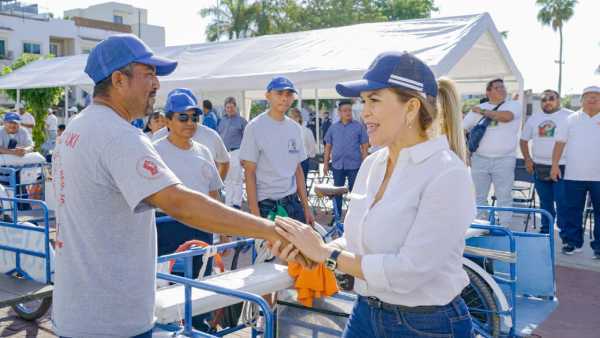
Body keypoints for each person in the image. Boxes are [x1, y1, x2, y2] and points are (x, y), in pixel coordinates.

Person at [51, 34, 306, 338]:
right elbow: (180, 203)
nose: (157, 84)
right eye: (149, 74)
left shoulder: (77, 128)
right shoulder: (119, 136)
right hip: (112, 321)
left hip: (78, 311)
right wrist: (272, 230)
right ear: (119, 79)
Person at [271, 52, 474, 338]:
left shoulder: (447, 173)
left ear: (411, 107)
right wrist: (311, 248)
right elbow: (359, 241)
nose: (363, 112)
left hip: (426, 325)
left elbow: (409, 272)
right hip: (366, 312)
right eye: (363, 101)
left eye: (374, 100)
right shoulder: (372, 164)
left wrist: (326, 255)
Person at [240, 76, 314, 225]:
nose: (284, 98)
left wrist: (306, 207)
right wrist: (255, 217)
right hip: (267, 205)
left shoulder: (295, 128)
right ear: (268, 96)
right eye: (279, 93)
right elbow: (249, 172)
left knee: (302, 247)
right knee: (275, 249)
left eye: (288, 94)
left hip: (292, 202)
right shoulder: (255, 127)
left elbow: (297, 169)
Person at [463, 78, 522, 225]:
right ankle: (481, 227)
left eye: (503, 87)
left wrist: (482, 111)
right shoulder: (477, 108)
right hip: (479, 159)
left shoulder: (513, 105)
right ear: (488, 92)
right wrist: (466, 151)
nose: (502, 90)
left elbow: (506, 117)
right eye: (497, 88)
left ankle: (504, 228)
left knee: (504, 197)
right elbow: (462, 129)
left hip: (504, 159)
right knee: (479, 197)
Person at [551, 85, 600, 257]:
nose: (592, 99)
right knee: (572, 211)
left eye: (596, 96)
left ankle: (599, 248)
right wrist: (555, 165)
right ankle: (572, 243)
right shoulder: (570, 119)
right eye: (588, 96)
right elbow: (559, 143)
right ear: (581, 100)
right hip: (573, 175)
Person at [519, 89, 570, 235]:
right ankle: (546, 231)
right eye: (544, 99)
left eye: (551, 98)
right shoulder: (534, 118)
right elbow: (523, 141)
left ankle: (565, 234)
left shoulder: (569, 116)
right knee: (545, 203)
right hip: (539, 166)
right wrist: (528, 159)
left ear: (558, 100)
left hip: (563, 166)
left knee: (563, 202)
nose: (547, 102)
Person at [153, 93, 231, 181]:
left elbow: (213, 190)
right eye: (183, 117)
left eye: (194, 117)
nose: (190, 123)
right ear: (167, 122)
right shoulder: (154, 151)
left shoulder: (204, 151)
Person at [323, 100, 369, 213]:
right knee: (337, 192)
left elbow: (365, 146)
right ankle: (336, 216)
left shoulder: (359, 126)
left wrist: (365, 163)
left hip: (354, 165)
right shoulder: (333, 128)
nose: (348, 112)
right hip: (337, 166)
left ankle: (354, 215)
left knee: (355, 193)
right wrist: (325, 164)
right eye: (345, 110)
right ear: (339, 112)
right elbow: (328, 147)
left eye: (349, 110)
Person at [218, 96, 248, 208]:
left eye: (231, 107)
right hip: (225, 153)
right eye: (227, 107)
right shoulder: (222, 121)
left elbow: (247, 140)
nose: (229, 109)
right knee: (227, 180)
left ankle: (237, 203)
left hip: (237, 152)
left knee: (237, 179)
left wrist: (244, 156)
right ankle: (228, 203)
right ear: (225, 108)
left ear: (235, 107)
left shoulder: (242, 121)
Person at [289, 107, 317, 186]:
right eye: (290, 117)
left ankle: (303, 198)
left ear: (298, 118)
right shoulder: (285, 131)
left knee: (302, 184)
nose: (291, 119)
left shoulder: (306, 131)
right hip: (288, 162)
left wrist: (308, 156)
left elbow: (312, 147)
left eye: (293, 117)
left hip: (303, 161)